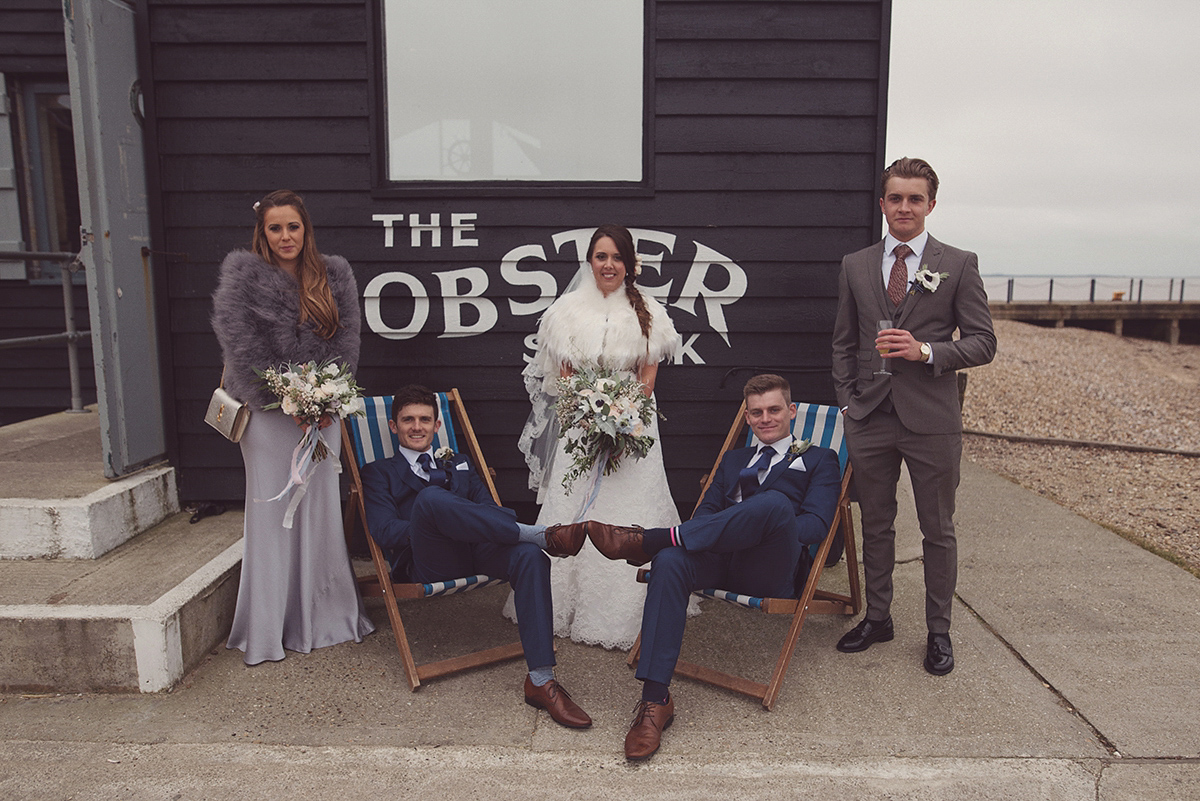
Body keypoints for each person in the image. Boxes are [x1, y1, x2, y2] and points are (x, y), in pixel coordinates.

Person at [585, 374, 842, 760]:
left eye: (774, 410)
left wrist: (759, 522)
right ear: (747, 417)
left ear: (791, 411)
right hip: (720, 559)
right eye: (756, 412)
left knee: (773, 504)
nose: (765, 418)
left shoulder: (821, 458)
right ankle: (655, 702)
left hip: (769, 565)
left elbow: (817, 525)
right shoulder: (736, 459)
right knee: (671, 561)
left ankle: (649, 540)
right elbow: (706, 514)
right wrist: (728, 529)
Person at [831, 157, 996, 676]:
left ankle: (938, 632)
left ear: (930, 204)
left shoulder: (959, 262)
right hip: (869, 416)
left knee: (937, 529)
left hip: (932, 418)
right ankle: (878, 618)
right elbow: (844, 342)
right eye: (895, 198)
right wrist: (845, 402)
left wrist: (926, 351)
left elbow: (983, 342)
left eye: (915, 199)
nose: (905, 207)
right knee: (876, 523)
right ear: (882, 204)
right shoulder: (856, 264)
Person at [361, 385, 594, 727]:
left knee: (530, 557)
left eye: (425, 419)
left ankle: (542, 680)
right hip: (430, 560)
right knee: (430, 500)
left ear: (437, 426)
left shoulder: (460, 462)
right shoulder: (377, 473)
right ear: (394, 426)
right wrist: (437, 523)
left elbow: (490, 510)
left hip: (479, 552)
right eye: (407, 420)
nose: (416, 426)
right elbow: (383, 531)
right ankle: (543, 533)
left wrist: (465, 524)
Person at [211, 189, 374, 665]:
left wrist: (329, 397)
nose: (286, 236)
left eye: (293, 227)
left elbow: (348, 341)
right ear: (262, 233)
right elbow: (242, 348)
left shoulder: (334, 275)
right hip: (267, 418)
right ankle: (269, 626)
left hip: (323, 416)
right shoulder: (242, 279)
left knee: (321, 510)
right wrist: (284, 399)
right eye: (275, 228)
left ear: (307, 229)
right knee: (272, 513)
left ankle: (321, 617)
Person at [512, 224, 684, 650]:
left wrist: (624, 412)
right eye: (601, 256)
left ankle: (630, 608)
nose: (609, 265)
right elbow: (564, 377)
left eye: (617, 257)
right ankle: (560, 604)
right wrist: (590, 410)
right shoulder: (567, 311)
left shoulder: (649, 311)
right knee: (572, 506)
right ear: (590, 262)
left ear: (629, 264)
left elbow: (647, 377)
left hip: (635, 422)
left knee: (630, 505)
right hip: (581, 422)